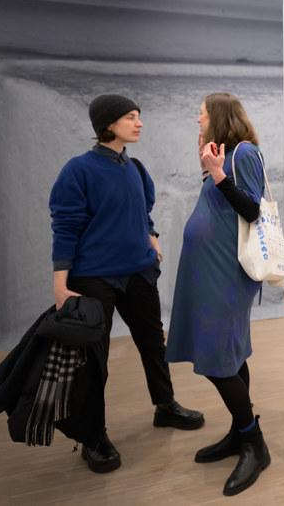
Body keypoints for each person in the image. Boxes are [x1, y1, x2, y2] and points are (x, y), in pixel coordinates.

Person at [49, 93, 204, 474]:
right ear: (108, 124)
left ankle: (165, 406)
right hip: (94, 277)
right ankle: (93, 436)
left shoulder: (135, 168)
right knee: (94, 361)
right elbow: (66, 226)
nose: (139, 123)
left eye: (139, 116)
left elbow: (142, 210)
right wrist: (60, 283)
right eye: (131, 117)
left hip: (137, 272)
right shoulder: (78, 170)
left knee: (153, 343)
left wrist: (150, 236)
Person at [165, 92, 271, 497]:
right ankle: (239, 433)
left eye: (203, 113)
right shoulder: (222, 154)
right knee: (231, 354)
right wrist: (211, 169)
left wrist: (219, 175)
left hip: (226, 273)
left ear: (220, 117)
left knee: (218, 358)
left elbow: (252, 209)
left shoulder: (245, 153)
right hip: (209, 270)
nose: (198, 118)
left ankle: (255, 444)